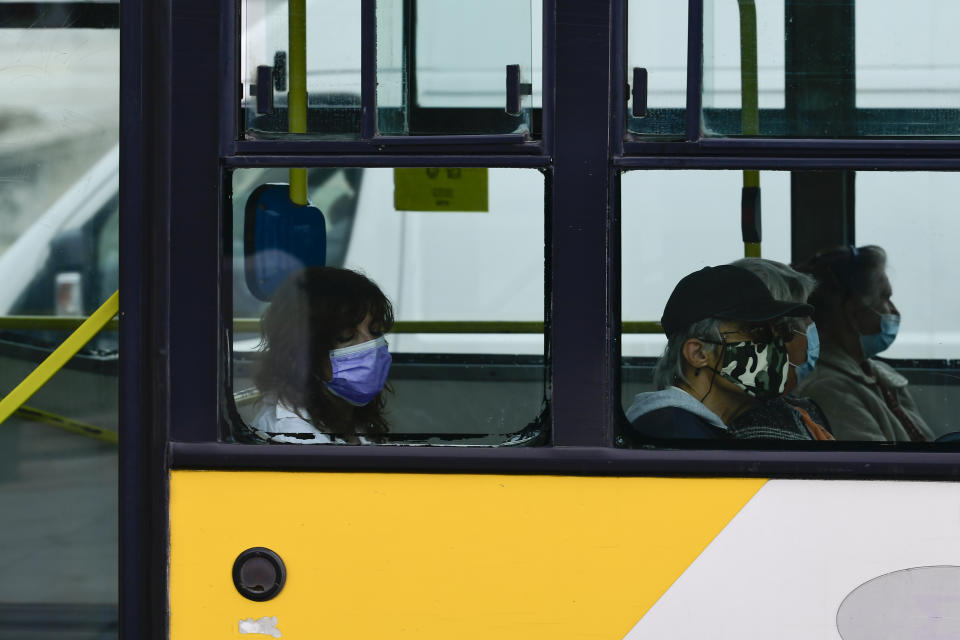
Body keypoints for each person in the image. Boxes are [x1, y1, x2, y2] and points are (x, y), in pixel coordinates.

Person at [625, 264, 813, 440]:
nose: (777, 345)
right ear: (698, 354)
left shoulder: (695, 427)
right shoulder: (671, 433)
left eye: (781, 332)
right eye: (759, 332)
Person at [795, 246, 934, 441]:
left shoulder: (875, 372)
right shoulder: (829, 390)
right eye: (885, 298)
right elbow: (875, 467)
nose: (894, 312)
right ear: (853, 313)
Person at [245, 266, 394, 444]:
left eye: (375, 330)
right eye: (347, 335)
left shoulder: (348, 416)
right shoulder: (291, 437)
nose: (370, 346)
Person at [727, 258, 833, 441]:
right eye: (804, 317)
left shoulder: (796, 408)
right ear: (778, 333)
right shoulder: (763, 426)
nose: (811, 326)